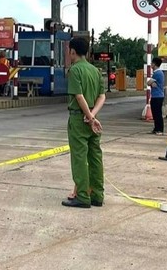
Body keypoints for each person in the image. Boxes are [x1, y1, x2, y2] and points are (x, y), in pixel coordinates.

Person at [63, 37, 106, 208]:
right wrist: (93, 116)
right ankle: (97, 195)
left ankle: (82, 196)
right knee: (95, 157)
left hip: (78, 118)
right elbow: (102, 95)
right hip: (92, 119)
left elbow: (78, 96)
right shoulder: (95, 70)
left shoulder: (75, 70)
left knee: (79, 157)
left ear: (72, 51)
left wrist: (88, 116)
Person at [148, 57, 165, 135]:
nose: (151, 65)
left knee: (157, 113)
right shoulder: (157, 73)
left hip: (157, 96)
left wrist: (151, 82)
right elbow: (150, 83)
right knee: (155, 113)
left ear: (154, 64)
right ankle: (156, 128)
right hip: (156, 95)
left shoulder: (157, 73)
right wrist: (151, 83)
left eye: (152, 63)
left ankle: (160, 129)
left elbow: (148, 82)